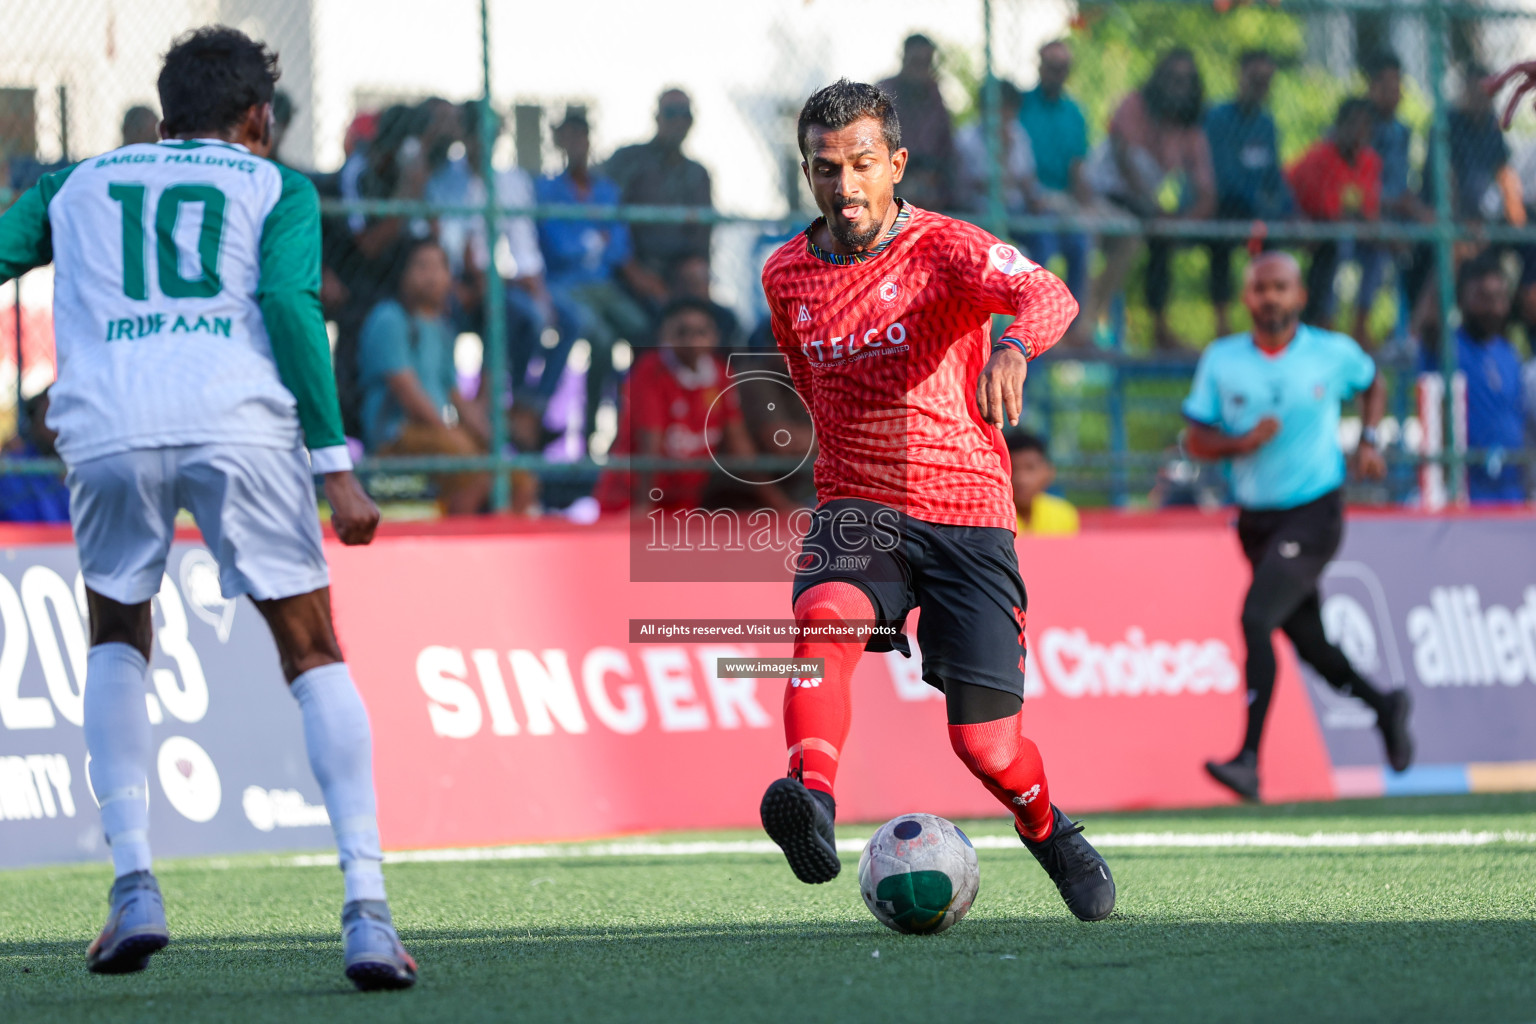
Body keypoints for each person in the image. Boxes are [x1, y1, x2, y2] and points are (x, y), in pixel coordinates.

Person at [0, 28, 415, 988]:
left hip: (106, 424)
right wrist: (335, 466)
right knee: (311, 647)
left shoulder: (78, 181)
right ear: (258, 119)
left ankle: (134, 885)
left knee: (115, 635)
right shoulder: (278, 186)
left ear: (163, 113)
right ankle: (365, 911)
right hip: (237, 417)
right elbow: (286, 306)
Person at [758, 79, 1114, 922]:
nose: (843, 185)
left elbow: (1049, 293)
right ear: (806, 171)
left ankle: (1048, 828)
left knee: (985, 745)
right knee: (826, 617)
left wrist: (1014, 347)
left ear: (897, 164)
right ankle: (811, 799)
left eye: (862, 164)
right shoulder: (784, 274)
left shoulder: (945, 248)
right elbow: (805, 379)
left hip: (965, 509)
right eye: (824, 167)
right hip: (858, 505)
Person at [1181, 253, 1413, 802]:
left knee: (1256, 617)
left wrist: (1370, 439)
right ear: (1247, 299)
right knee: (1312, 646)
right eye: (1261, 288)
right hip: (1257, 521)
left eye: (1281, 287)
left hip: (1314, 511)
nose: (1271, 298)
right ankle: (1385, 706)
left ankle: (1248, 761)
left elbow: (1373, 381)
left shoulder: (1330, 353)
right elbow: (1196, 439)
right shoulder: (1222, 359)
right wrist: (1241, 443)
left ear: (1300, 296)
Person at [427, 100, 576, 404]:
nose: (484, 142)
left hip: (498, 281)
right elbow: (448, 242)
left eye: (492, 135)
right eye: (477, 134)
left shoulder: (511, 180)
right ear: (464, 137)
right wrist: (467, 281)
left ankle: (521, 408)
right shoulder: (445, 179)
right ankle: (459, 407)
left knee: (556, 318)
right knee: (449, 318)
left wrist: (537, 291)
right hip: (454, 279)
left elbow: (523, 247)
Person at [1081, 49, 1217, 349]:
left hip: (1141, 207)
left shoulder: (1190, 129)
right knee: (1132, 234)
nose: (1178, 87)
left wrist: (1181, 222)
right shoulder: (1135, 104)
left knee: (1162, 237)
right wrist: (1155, 210)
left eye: (1186, 81)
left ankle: (1160, 328)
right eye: (1172, 79)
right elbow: (1124, 161)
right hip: (1105, 193)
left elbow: (1207, 192)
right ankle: (1083, 322)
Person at [537, 107, 655, 442]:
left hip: (603, 285)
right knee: (601, 341)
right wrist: (594, 237)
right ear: (559, 141)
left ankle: (630, 427)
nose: (576, 143)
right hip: (565, 286)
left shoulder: (606, 190)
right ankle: (589, 433)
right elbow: (558, 245)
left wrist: (587, 238)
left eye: (581, 135)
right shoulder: (547, 190)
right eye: (568, 135)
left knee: (643, 330)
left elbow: (618, 245)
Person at [593, 298, 776, 513]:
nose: (692, 340)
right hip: (628, 502)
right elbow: (650, 447)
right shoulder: (649, 372)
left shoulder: (719, 373)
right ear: (664, 335)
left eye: (701, 332)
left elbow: (740, 448)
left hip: (682, 506)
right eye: (682, 332)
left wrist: (778, 504)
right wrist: (644, 510)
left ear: (715, 336)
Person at [358, 238, 494, 515]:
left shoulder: (443, 328)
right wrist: (453, 436)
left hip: (439, 433)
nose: (431, 276)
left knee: (519, 479)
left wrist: (488, 436)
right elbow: (408, 393)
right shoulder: (389, 318)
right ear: (403, 273)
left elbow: (454, 394)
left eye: (439, 267)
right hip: (397, 435)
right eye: (422, 266)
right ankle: (458, 548)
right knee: (473, 470)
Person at [1204, 50, 1292, 337]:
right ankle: (1222, 324)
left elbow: (1273, 176)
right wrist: (1259, 205)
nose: (1260, 87)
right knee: (1221, 239)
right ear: (1240, 77)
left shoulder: (1266, 124)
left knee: (1274, 242)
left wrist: (1282, 208)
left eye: (1266, 80)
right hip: (1223, 207)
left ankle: (1272, 319)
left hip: (1259, 213)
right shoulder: (1218, 118)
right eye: (1255, 79)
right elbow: (1222, 177)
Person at [1426, 253, 1526, 502]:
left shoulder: (1509, 353)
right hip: (1468, 492)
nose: (1493, 307)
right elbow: (1427, 321)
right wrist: (1452, 256)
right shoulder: (1446, 347)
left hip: (1512, 491)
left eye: (1499, 299)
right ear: (1461, 300)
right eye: (1483, 298)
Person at [1287, 98, 1382, 330]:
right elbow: (1328, 212)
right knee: (1339, 246)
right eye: (1353, 124)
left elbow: (1367, 210)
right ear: (1339, 126)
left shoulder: (1370, 160)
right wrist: (1360, 225)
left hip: (1344, 227)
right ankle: (1323, 321)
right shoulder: (1321, 156)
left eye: (1365, 126)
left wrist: (1375, 232)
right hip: (1299, 221)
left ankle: (1361, 326)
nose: (1358, 132)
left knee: (1378, 252)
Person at [603, 89, 713, 288]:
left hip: (681, 269)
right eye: (671, 113)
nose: (679, 120)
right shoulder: (628, 160)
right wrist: (633, 270)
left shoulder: (698, 173)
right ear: (657, 117)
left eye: (685, 114)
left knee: (699, 282)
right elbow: (607, 220)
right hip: (632, 268)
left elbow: (702, 239)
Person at [1019, 40, 1093, 311]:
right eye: (1051, 66)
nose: (1056, 73)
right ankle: (1035, 319)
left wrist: (1087, 202)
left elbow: (1078, 168)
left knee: (1082, 241)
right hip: (1026, 197)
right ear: (1040, 67)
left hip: (1062, 199)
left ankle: (1074, 323)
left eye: (1062, 68)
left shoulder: (1074, 113)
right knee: (1044, 238)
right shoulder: (1020, 105)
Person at [878, 34, 957, 211]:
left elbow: (946, 145)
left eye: (926, 62)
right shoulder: (885, 92)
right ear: (904, 59)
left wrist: (933, 175)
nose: (920, 69)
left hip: (932, 178)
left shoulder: (934, 95)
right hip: (895, 174)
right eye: (916, 61)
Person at [955, 79, 1039, 215]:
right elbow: (974, 184)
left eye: (1009, 109)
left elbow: (1027, 179)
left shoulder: (1018, 134)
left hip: (1019, 209)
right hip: (979, 210)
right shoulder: (966, 138)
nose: (1005, 115)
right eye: (1000, 108)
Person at [0, 389, 70, 522]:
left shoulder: (84, 465)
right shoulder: (15, 469)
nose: (58, 427)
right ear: (34, 423)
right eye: (50, 418)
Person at [1007, 432, 1078, 535]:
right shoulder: (994, 517)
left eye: (1030, 468)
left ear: (1048, 472)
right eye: (1013, 469)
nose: (1021, 479)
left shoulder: (1063, 514)